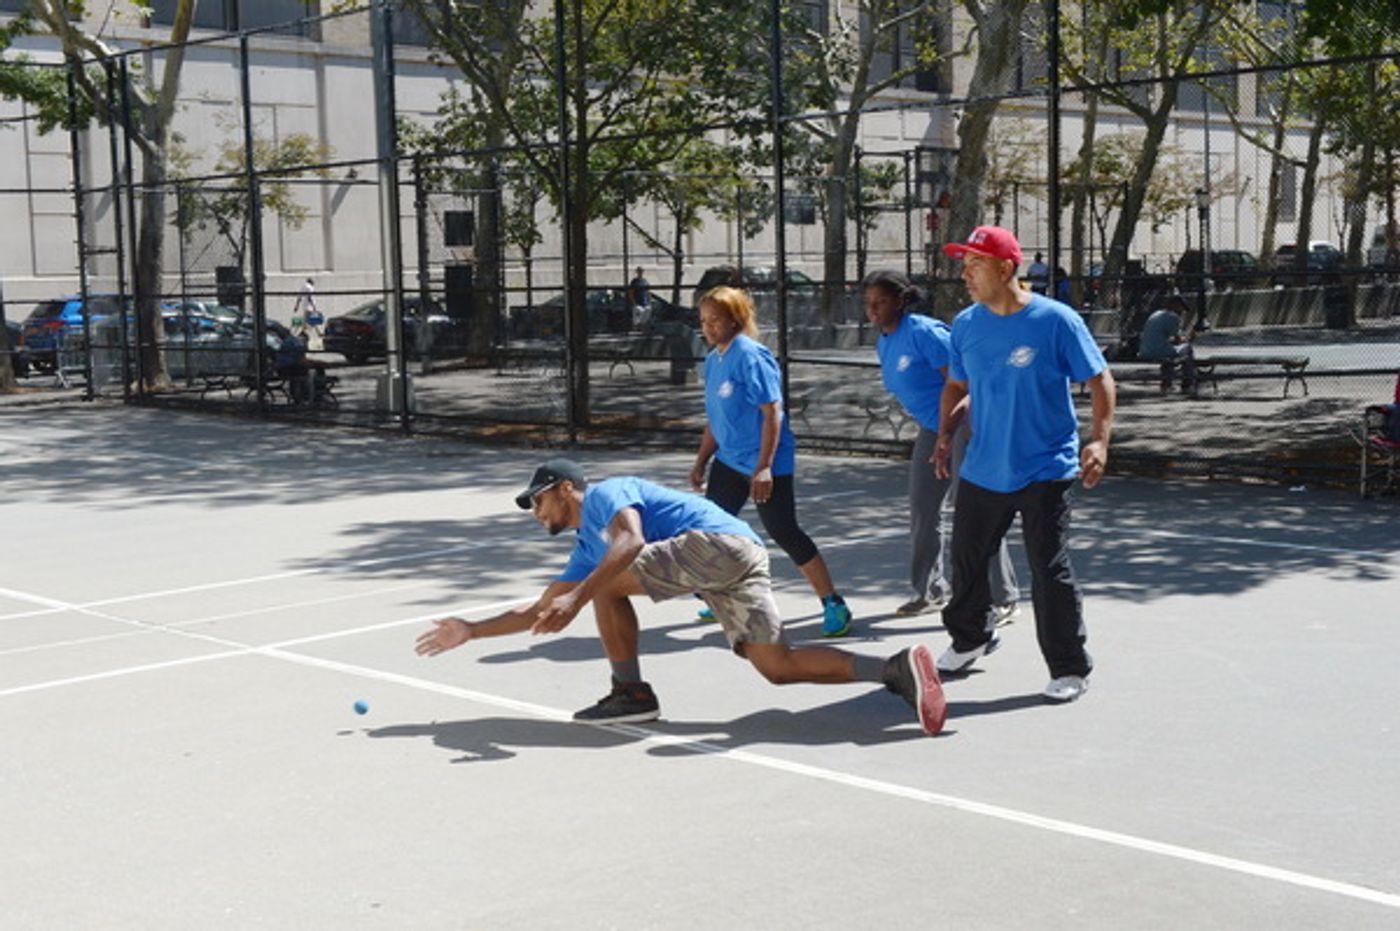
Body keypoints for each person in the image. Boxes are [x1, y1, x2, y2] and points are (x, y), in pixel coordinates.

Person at [413, 458, 949, 736]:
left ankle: (632, 694)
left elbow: (631, 542)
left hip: (718, 545)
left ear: (563, 490)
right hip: (733, 563)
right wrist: (472, 630)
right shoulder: (584, 549)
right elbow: (540, 607)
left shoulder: (604, 494)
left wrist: (577, 600)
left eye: (536, 501)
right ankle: (897, 670)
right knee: (777, 665)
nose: (535, 513)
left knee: (599, 583)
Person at [934, 225, 1116, 704]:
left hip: (1045, 467)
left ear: (1006, 268)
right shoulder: (967, 325)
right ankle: (970, 636)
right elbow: (957, 386)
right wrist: (945, 435)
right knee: (968, 562)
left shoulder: (1055, 321)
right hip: (983, 466)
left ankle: (1069, 667)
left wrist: (1099, 441)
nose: (965, 273)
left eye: (975, 264)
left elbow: (1100, 381)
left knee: (1047, 568)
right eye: (964, 263)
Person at [689, 286, 854, 637]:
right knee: (713, 530)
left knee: (783, 530)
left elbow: (772, 413)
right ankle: (723, 596)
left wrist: (763, 467)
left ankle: (833, 603)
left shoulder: (751, 356)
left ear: (735, 320)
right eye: (704, 321)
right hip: (729, 461)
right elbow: (716, 419)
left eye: (716, 320)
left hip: (765, 460)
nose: (709, 327)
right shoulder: (712, 359)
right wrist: (701, 460)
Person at [861, 270, 1019, 623]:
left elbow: (965, 382)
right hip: (934, 428)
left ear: (900, 301)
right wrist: (939, 432)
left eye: (881, 302)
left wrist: (958, 432)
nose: (872, 309)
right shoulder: (885, 340)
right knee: (923, 507)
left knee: (974, 511)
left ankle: (1002, 596)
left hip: (968, 425)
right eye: (868, 303)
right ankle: (931, 590)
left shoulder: (925, 334)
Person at [1137, 293, 1198, 394]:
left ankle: (1167, 383)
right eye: (1181, 308)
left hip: (1144, 351)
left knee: (1170, 355)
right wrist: (1191, 337)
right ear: (1175, 305)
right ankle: (1187, 382)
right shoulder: (1172, 317)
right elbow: (1178, 339)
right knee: (1187, 349)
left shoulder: (1156, 314)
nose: (1182, 311)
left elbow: (1167, 338)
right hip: (1158, 351)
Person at [293, 277, 324, 351]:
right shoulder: (310, 288)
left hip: (304, 306)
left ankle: (318, 332)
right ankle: (301, 333)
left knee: (310, 320)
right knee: (310, 320)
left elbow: (299, 297)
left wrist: (296, 306)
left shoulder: (303, 286)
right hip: (309, 307)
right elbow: (311, 297)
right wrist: (314, 306)